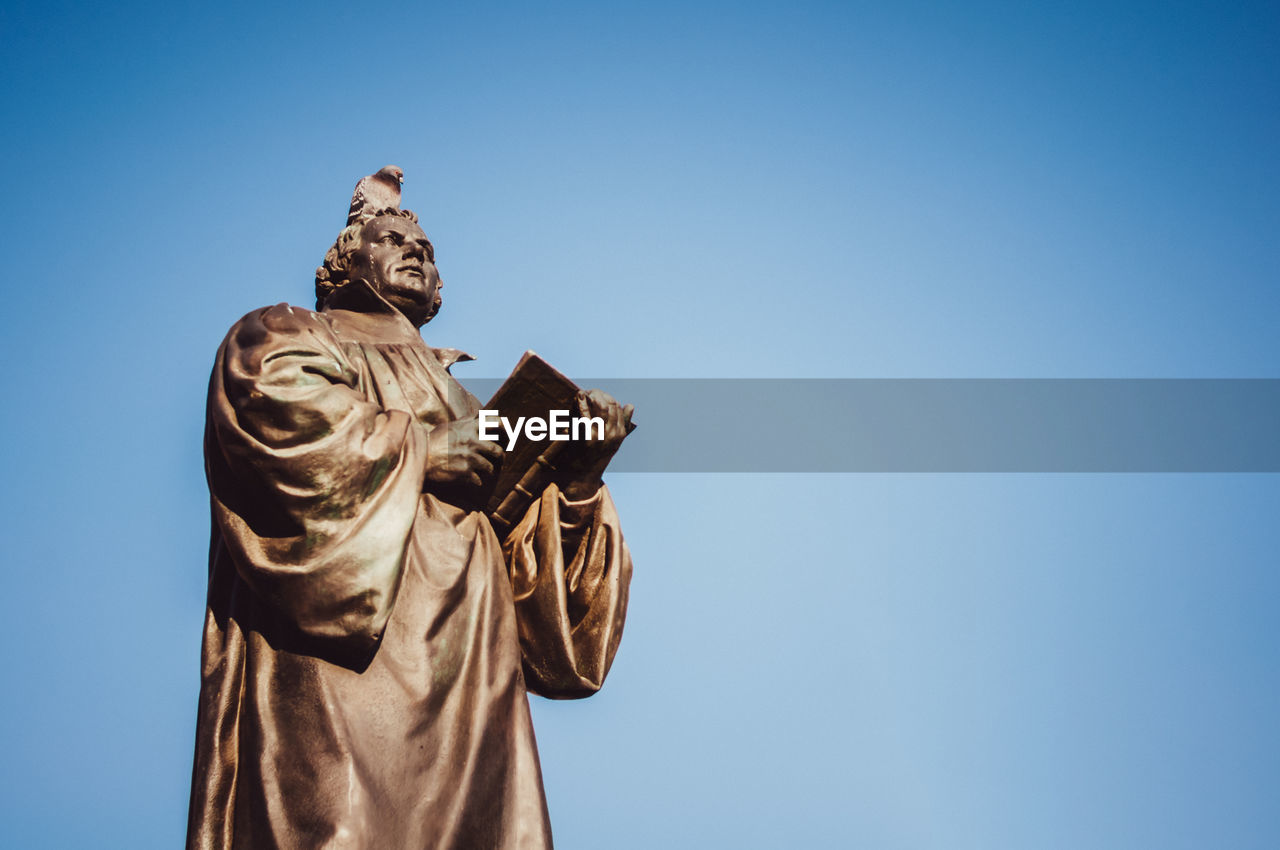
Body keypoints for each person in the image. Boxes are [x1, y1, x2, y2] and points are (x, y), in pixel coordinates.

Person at [186, 176, 634, 849]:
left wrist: (575, 485)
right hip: (346, 662)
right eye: (392, 238)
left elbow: (553, 641)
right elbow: (276, 420)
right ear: (347, 261)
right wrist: (421, 449)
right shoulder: (291, 334)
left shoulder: (466, 404)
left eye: (425, 245)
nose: (416, 251)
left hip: (469, 680)